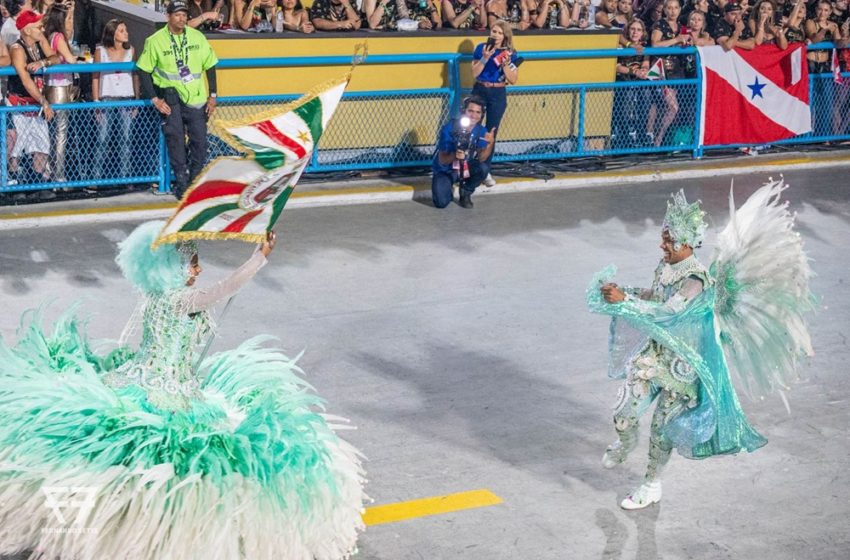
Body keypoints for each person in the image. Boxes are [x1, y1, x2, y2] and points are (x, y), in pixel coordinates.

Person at [0, 222, 365, 558]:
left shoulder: (155, 297)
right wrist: (260, 256)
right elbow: (227, 288)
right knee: (170, 453)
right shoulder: (181, 300)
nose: (198, 270)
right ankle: (143, 521)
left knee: (130, 449)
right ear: (173, 269)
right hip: (168, 390)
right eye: (192, 264)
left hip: (140, 378)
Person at [587, 182, 813, 509]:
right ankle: (624, 444)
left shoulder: (697, 281)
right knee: (624, 413)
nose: (661, 243)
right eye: (663, 236)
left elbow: (668, 314)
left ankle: (650, 485)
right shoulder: (666, 266)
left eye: (668, 238)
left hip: (682, 367)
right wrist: (624, 292)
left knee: (662, 432)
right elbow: (656, 297)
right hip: (654, 357)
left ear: (686, 243)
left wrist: (624, 303)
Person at [137, 0, 218, 200]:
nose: (182, 18)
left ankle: (194, 181)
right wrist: (155, 99)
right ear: (168, 16)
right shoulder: (155, 40)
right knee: (176, 142)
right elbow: (143, 70)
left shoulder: (197, 37)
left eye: (184, 15)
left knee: (200, 142)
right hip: (171, 99)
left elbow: (211, 65)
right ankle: (181, 183)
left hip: (196, 99)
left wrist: (213, 95)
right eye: (177, 15)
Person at [7, 9, 58, 196]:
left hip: (36, 104)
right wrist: (44, 101)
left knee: (42, 146)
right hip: (21, 104)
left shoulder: (39, 42)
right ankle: (15, 185)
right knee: (17, 148)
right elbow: (25, 80)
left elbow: (55, 57)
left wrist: (43, 63)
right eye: (38, 26)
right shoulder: (17, 49)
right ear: (27, 30)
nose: (42, 29)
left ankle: (36, 182)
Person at [91, 18, 139, 186]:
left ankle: (125, 177)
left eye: (125, 30)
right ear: (112, 33)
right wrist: (96, 101)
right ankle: (96, 178)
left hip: (126, 98)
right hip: (107, 98)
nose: (125, 33)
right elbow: (95, 76)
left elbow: (135, 76)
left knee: (126, 138)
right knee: (102, 138)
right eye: (121, 30)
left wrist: (136, 100)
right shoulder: (100, 51)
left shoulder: (131, 50)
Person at [471, 20, 518, 188]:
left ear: (505, 35)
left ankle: (485, 169)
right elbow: (474, 73)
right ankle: (467, 165)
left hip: (498, 92)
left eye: (498, 32)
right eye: (493, 31)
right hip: (480, 90)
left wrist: (505, 65)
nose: (495, 35)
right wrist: (485, 58)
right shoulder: (480, 48)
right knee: (471, 128)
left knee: (491, 132)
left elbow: (513, 79)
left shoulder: (511, 53)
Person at [431, 95, 495, 209]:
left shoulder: (481, 130)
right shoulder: (450, 127)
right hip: (447, 169)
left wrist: (490, 144)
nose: (473, 116)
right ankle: (448, 186)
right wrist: (455, 155)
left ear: (481, 115)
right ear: (463, 111)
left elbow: (481, 158)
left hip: (465, 167)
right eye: (470, 111)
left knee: (483, 168)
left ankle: (465, 191)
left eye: (478, 112)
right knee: (441, 203)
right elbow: (442, 160)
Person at [42, 2, 75, 184]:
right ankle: (58, 175)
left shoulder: (49, 35)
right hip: (60, 86)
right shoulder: (58, 37)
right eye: (68, 18)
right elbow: (70, 59)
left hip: (51, 85)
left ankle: (50, 170)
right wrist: (78, 59)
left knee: (53, 131)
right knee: (60, 132)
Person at [612, 18, 652, 148]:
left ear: (642, 33)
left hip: (638, 79)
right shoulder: (620, 46)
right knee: (627, 95)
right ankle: (623, 136)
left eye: (639, 30)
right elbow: (617, 67)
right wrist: (633, 71)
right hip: (624, 79)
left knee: (646, 94)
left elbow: (646, 63)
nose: (635, 32)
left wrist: (643, 71)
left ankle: (641, 134)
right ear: (628, 30)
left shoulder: (644, 46)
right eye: (633, 29)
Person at [363, 0, 441, 29]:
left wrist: (431, 8)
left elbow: (439, 25)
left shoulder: (420, 3)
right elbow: (372, 24)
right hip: (385, 39)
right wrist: (384, 2)